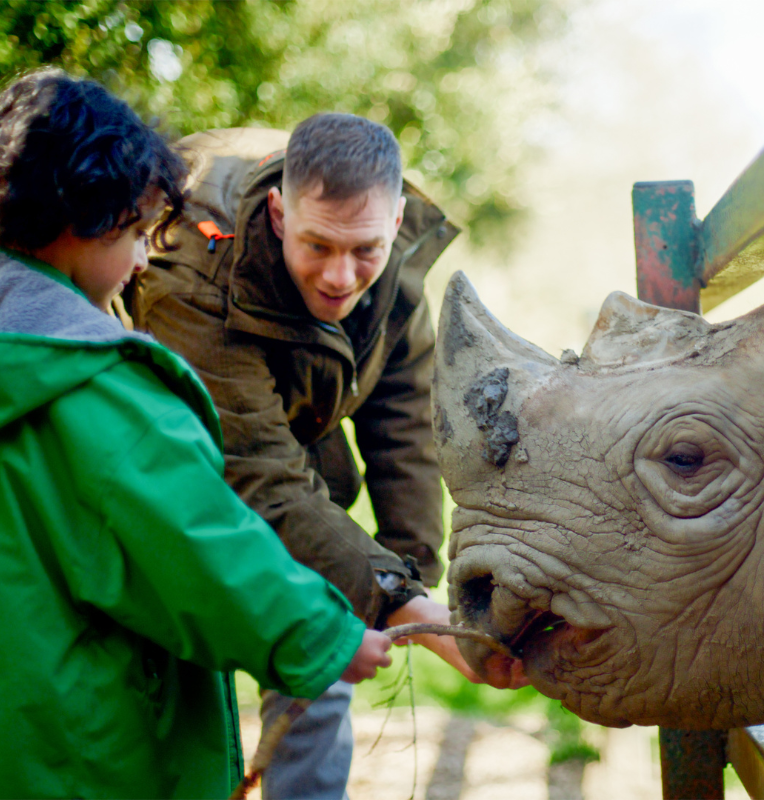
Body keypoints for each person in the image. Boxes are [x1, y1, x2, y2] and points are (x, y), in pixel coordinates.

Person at [0, 69, 393, 800]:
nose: (147, 260)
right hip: (87, 744)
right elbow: (200, 542)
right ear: (81, 222)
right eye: (137, 233)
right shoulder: (101, 387)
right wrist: (325, 636)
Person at [131, 114, 481, 799]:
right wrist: (400, 604)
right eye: (317, 244)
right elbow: (257, 473)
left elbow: (403, 412)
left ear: (397, 219)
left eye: (365, 250)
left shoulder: (396, 254)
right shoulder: (193, 272)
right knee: (175, 691)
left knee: (327, 634)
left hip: (302, 438)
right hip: (173, 469)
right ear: (278, 210)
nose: (340, 275)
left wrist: (408, 580)